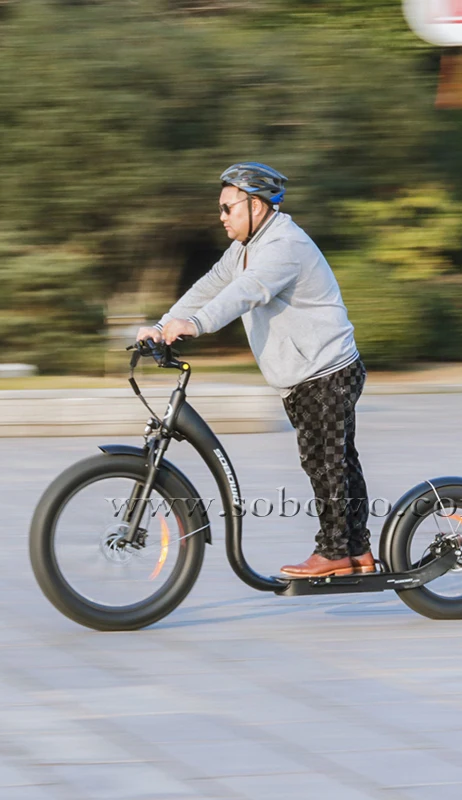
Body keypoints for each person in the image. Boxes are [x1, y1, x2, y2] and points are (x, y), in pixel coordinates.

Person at [136, 162, 375, 578]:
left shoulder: (283, 246)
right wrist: (162, 326)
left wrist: (195, 325)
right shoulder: (247, 248)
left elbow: (246, 293)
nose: (222, 216)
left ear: (257, 206)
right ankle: (357, 554)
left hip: (327, 370)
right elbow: (211, 286)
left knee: (328, 461)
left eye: (228, 208)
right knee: (327, 461)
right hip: (303, 376)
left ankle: (338, 551)